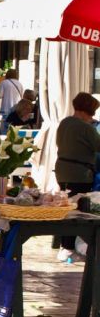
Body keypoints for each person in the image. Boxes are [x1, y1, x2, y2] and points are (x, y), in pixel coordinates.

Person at [55, 92, 100, 262]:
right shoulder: (86, 127)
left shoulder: (64, 123)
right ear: (85, 111)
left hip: (62, 170)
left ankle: (64, 245)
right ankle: (67, 248)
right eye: (91, 113)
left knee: (66, 207)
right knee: (77, 212)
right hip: (79, 173)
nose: (92, 116)